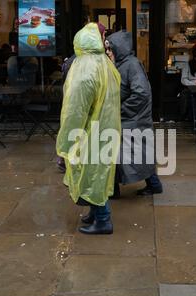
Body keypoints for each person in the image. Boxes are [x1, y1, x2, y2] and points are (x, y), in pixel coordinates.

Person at [56, 23, 121, 235]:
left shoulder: (84, 66)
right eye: (103, 35)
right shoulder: (104, 62)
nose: (105, 39)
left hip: (90, 130)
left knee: (92, 174)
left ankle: (103, 220)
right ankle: (96, 213)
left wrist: (67, 140)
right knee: (97, 172)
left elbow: (75, 109)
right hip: (107, 127)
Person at [107, 31, 163, 196]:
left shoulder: (131, 64)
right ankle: (152, 184)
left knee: (127, 152)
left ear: (119, 48)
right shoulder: (122, 63)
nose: (108, 52)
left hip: (133, 118)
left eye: (110, 49)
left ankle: (114, 189)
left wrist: (120, 110)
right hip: (130, 117)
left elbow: (141, 94)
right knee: (135, 153)